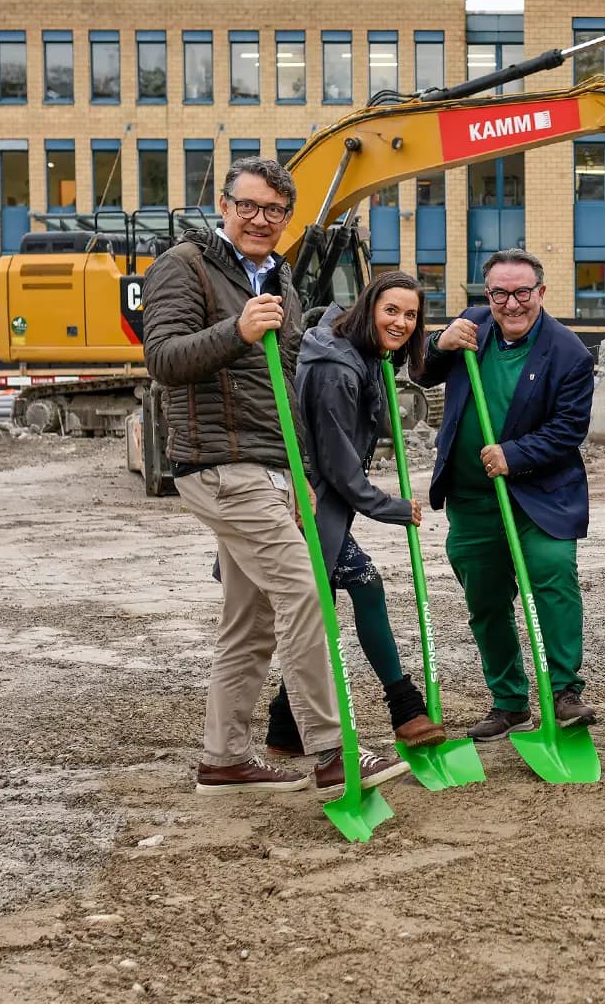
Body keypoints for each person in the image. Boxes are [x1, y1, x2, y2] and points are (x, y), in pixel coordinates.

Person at [141, 156, 399, 795]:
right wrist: (235, 329)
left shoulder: (279, 278)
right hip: (219, 465)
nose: (261, 219)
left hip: (270, 468)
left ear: (288, 217)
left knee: (249, 620)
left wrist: (302, 474)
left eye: (274, 211)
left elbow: (283, 382)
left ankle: (223, 758)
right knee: (307, 590)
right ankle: (333, 751)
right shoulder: (187, 265)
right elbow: (163, 360)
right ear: (224, 206)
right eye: (248, 206)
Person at [257, 270, 448, 758]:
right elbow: (339, 464)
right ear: (368, 309)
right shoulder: (337, 370)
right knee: (362, 585)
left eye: (410, 315)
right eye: (391, 311)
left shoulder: (362, 356)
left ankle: (284, 729)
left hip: (325, 505)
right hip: (309, 505)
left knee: (318, 611)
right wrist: (392, 507)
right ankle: (404, 707)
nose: (402, 321)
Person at [417, 249, 598, 739]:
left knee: (553, 575)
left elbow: (568, 429)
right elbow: (419, 371)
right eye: (500, 293)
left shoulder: (569, 353)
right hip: (473, 500)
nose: (511, 304)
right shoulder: (471, 326)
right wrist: (438, 343)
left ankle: (563, 693)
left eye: (522, 292)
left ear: (541, 292)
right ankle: (509, 702)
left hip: (539, 496)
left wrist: (514, 454)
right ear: (487, 294)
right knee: (487, 599)